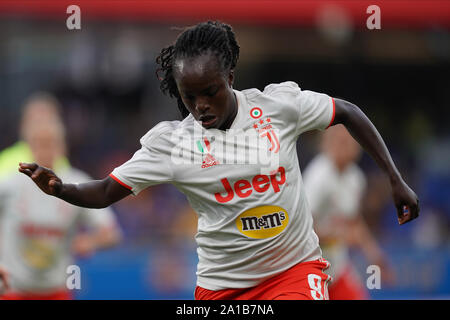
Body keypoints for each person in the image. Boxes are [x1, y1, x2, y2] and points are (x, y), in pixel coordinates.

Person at [17, 21, 419, 300]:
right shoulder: (172, 145)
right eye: (189, 97)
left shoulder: (279, 106)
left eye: (210, 91)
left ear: (230, 74)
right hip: (222, 284)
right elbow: (105, 190)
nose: (200, 106)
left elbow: (346, 110)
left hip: (295, 269)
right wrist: (61, 188)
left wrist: (394, 179)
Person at [0, 96, 122, 300]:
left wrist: (90, 242)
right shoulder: (11, 184)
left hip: (56, 291)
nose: (45, 150)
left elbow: (112, 233)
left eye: (50, 143)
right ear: (29, 146)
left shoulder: (75, 185)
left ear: (62, 146)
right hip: (13, 291)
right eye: (39, 143)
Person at [303, 125, 395, 300]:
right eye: (341, 140)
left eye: (352, 140)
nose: (348, 145)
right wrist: (339, 235)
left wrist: (374, 254)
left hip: (336, 268)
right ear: (327, 143)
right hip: (309, 270)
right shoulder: (318, 176)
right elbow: (301, 228)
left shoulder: (355, 178)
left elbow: (354, 222)